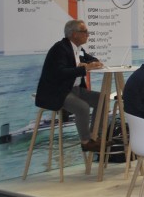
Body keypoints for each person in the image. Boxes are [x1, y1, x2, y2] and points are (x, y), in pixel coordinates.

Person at [35, 19, 105, 152]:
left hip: (75, 89)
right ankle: (86, 142)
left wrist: (94, 63)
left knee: (102, 99)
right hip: (58, 91)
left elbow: (90, 59)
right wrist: (84, 68)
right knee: (83, 107)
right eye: (84, 31)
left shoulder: (78, 49)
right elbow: (60, 72)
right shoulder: (60, 49)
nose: (88, 34)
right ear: (74, 34)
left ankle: (95, 136)